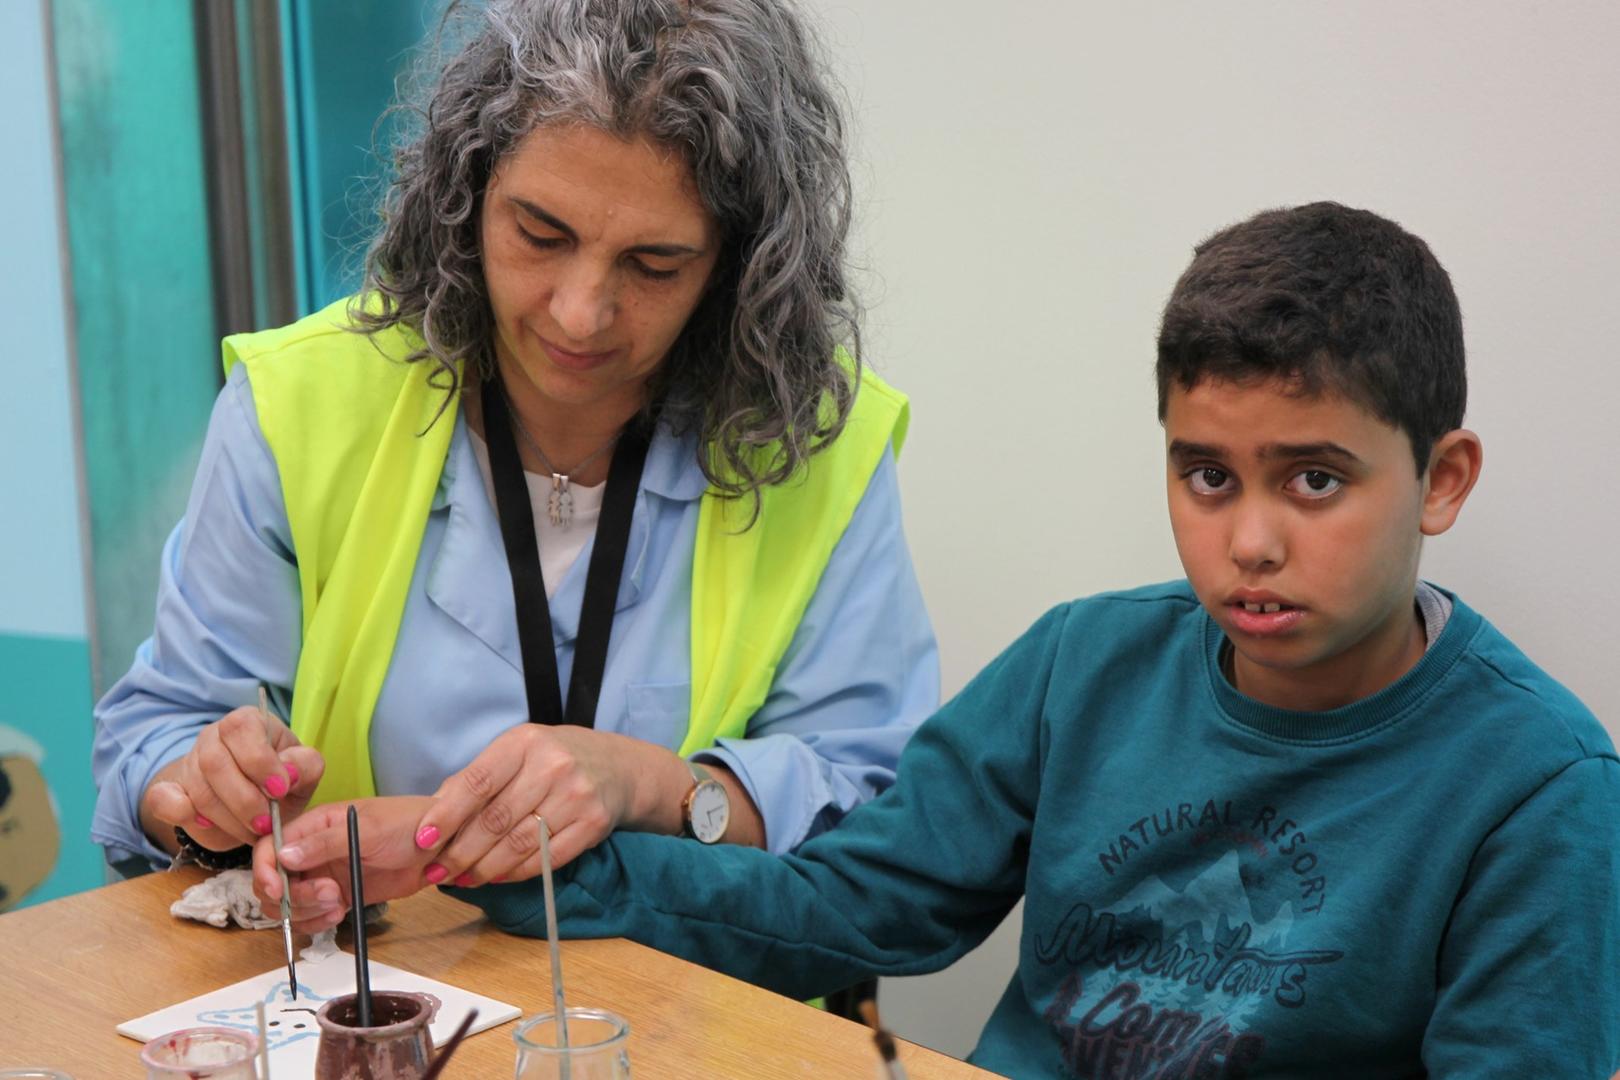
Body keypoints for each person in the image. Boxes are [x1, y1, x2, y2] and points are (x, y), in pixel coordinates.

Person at [263, 202, 1620, 1075]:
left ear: (1443, 480)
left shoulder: (1538, 789)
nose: (1250, 539)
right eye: (1207, 475)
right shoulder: (1084, 666)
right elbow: (843, 907)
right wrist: (503, 861)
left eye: (1312, 480)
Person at [91, 0, 938, 913]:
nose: (580, 312)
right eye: (540, 234)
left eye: (654, 266)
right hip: (371, 993)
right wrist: (199, 793)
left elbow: (884, 809)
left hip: (691, 1012)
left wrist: (652, 788)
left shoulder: (814, 445)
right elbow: (153, 738)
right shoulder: (301, 406)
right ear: (464, 195)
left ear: (738, 269)